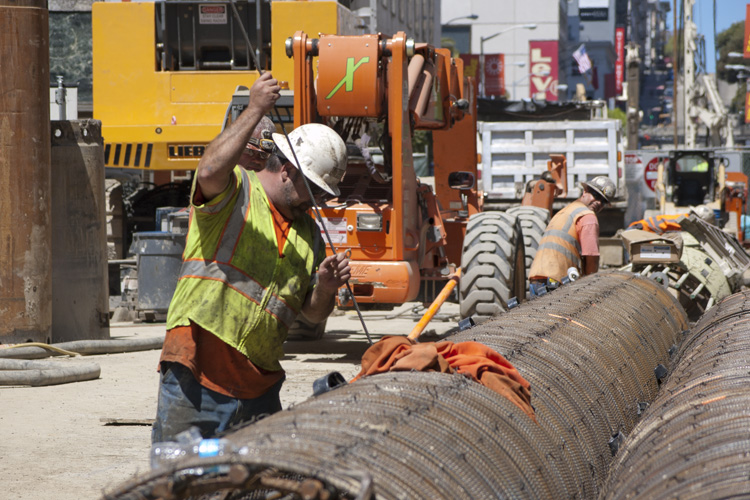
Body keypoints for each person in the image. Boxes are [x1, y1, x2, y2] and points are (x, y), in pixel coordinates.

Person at [151, 72, 351, 443]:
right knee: (178, 481)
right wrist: (255, 108)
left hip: (259, 389)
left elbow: (312, 313)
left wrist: (324, 287)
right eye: (316, 190)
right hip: (197, 375)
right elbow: (209, 169)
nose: (319, 202)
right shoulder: (235, 192)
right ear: (289, 171)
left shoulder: (308, 234)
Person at [528, 175, 615, 295]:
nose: (598, 202)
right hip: (556, 281)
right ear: (585, 191)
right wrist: (590, 288)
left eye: (603, 201)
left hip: (537, 278)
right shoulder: (587, 216)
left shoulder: (566, 211)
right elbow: (591, 256)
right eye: (596, 196)